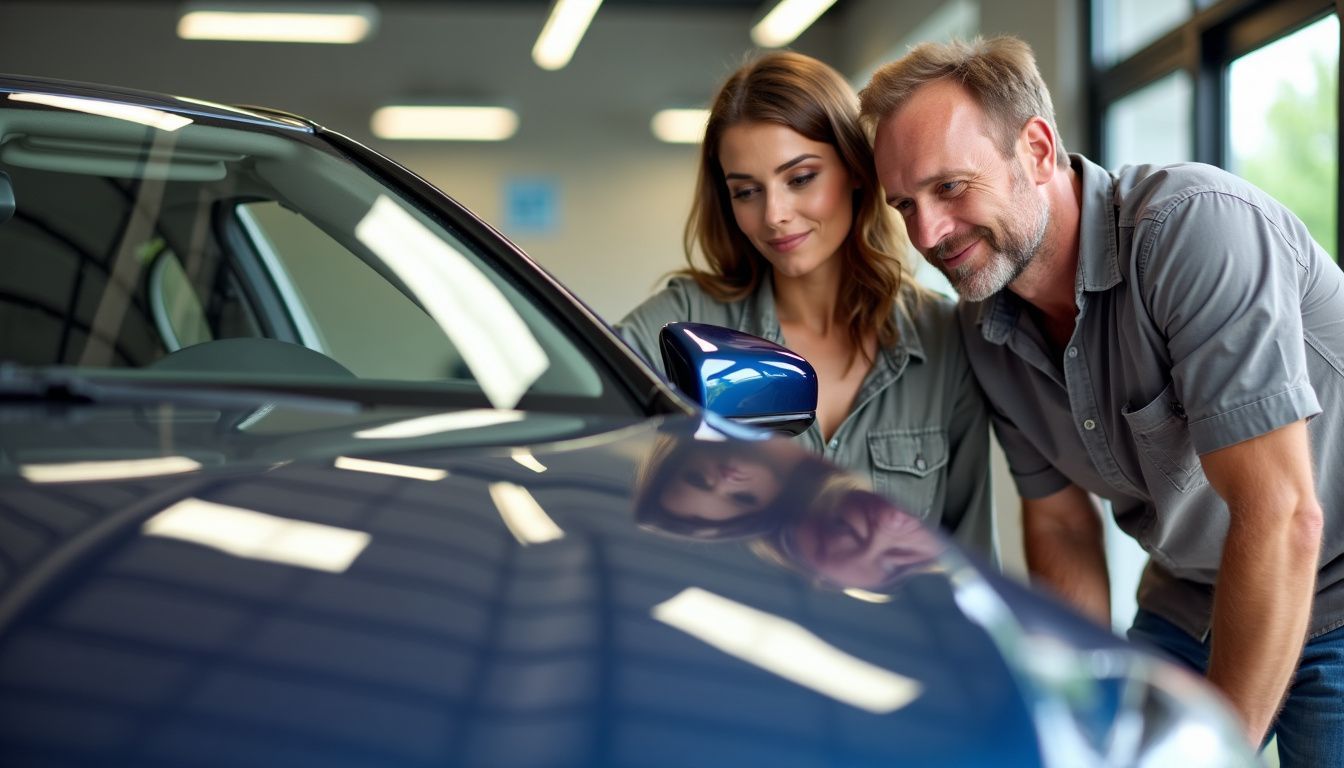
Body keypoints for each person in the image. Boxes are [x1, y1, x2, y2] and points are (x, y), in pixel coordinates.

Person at [859, 35, 1344, 763]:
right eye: (905, 205)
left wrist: (1214, 752)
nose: (927, 233)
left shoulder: (1192, 229)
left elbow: (1280, 514)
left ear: (1039, 149)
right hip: (1190, 598)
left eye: (951, 188)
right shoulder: (984, 328)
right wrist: (1071, 714)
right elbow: (1061, 530)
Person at [617, 51, 996, 563]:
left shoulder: (943, 336)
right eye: (747, 191)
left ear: (856, 171)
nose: (774, 215)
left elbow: (965, 559)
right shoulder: (674, 331)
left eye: (800, 179)